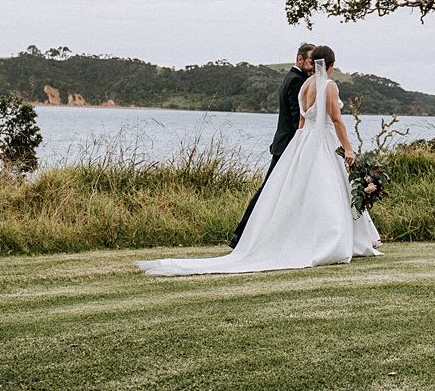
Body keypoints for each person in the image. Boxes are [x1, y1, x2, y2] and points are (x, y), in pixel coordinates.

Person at [138, 45, 382, 276]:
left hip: (303, 142)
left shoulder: (305, 86)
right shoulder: (329, 86)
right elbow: (337, 120)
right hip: (323, 141)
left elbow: (301, 122)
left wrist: (299, 149)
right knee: (328, 191)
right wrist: (348, 149)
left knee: (304, 192)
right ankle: (330, 240)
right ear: (331, 64)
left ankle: (308, 237)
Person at [228, 42, 314, 248]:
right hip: (288, 146)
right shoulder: (296, 81)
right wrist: (303, 143)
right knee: (267, 191)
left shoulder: (294, 78)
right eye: (311, 62)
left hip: (285, 144)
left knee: (277, 192)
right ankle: (241, 236)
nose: (313, 67)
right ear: (300, 59)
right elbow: (297, 118)